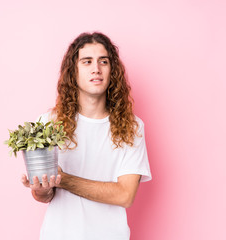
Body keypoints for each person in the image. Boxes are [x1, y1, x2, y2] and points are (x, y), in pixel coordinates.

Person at [21, 32, 151, 240]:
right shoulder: (48, 123)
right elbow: (43, 195)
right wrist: (41, 188)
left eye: (103, 61)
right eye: (87, 61)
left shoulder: (132, 127)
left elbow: (125, 195)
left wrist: (63, 180)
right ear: (74, 71)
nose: (96, 69)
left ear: (112, 70)